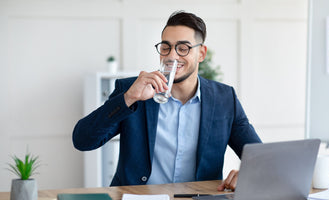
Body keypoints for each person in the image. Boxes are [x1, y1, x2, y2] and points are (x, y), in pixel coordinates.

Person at [72, 10, 261, 191]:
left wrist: (245, 174)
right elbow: (83, 141)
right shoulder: (133, 91)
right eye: (166, 47)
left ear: (201, 54)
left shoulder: (224, 99)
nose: (172, 55)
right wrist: (128, 98)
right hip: (137, 198)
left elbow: (261, 158)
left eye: (183, 48)